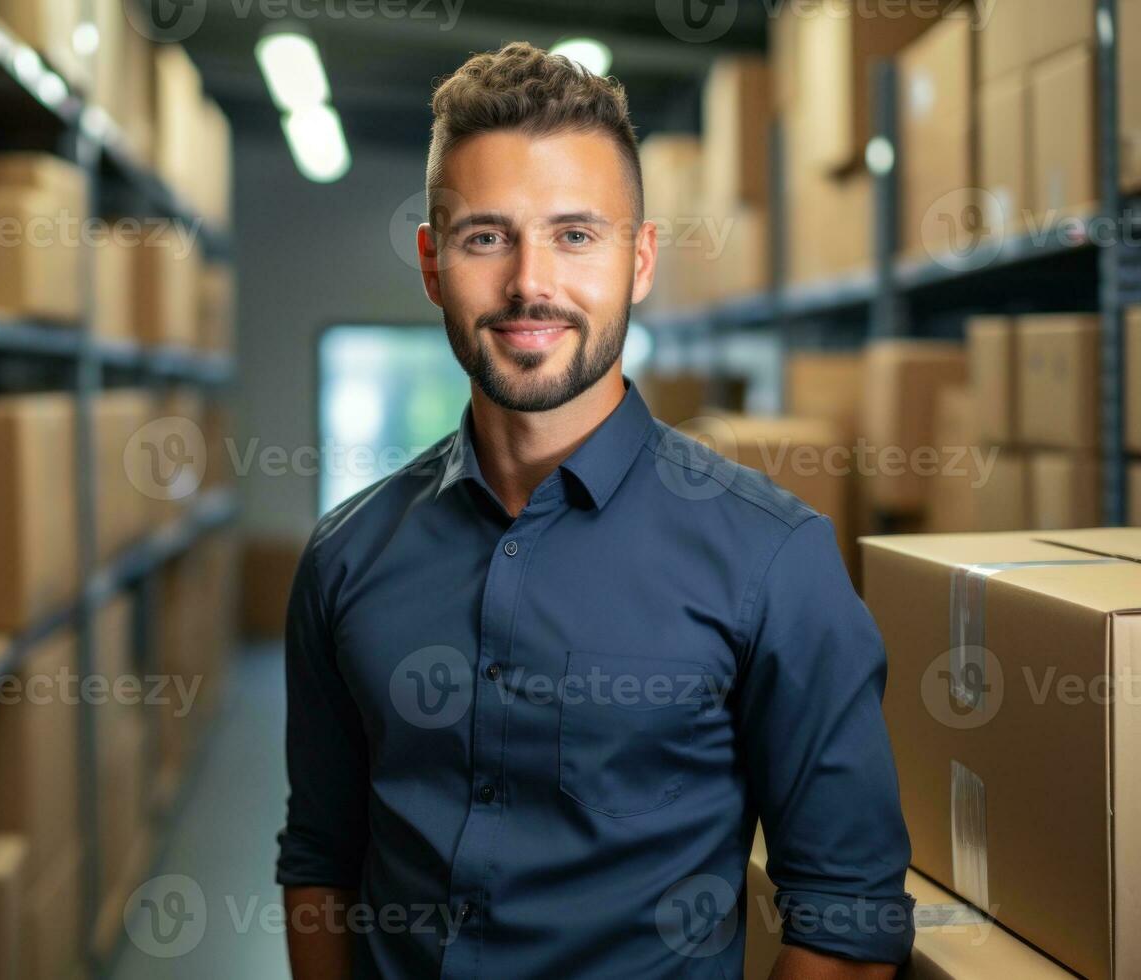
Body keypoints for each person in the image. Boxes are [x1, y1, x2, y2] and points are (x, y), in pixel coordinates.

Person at [277, 40, 915, 979]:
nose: (531, 282)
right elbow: (321, 862)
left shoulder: (772, 561)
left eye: (576, 234)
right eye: (485, 236)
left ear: (641, 260)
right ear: (430, 261)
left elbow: (848, 924)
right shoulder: (345, 558)